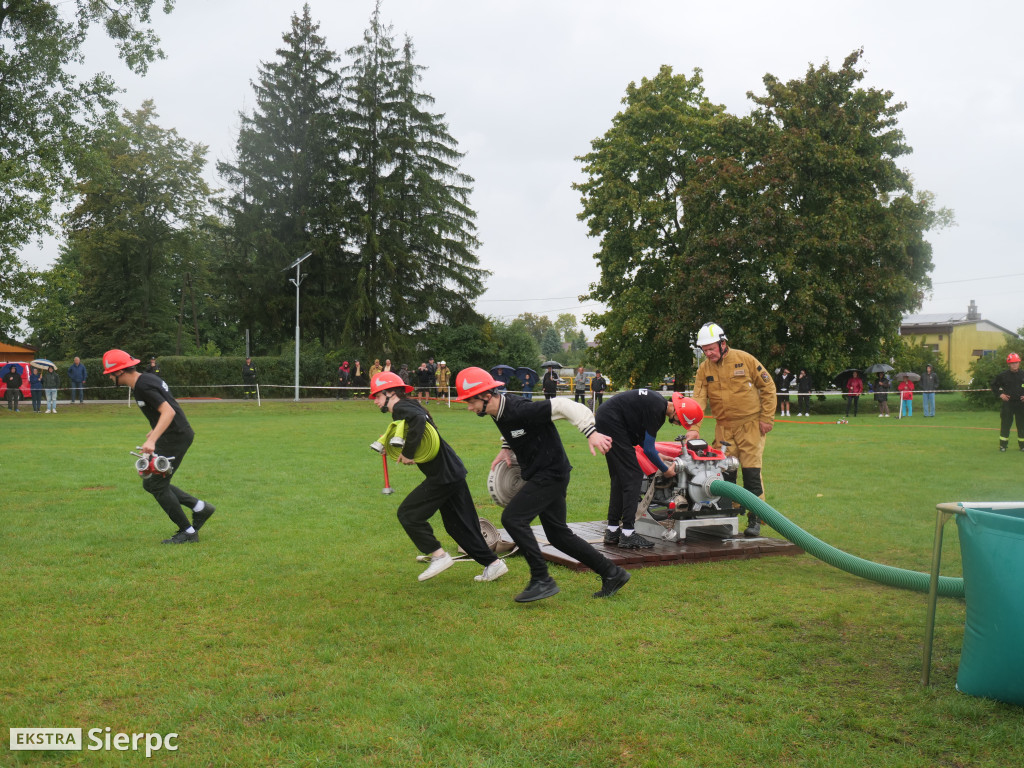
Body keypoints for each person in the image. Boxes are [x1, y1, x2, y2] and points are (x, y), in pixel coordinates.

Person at [455, 367, 630, 602]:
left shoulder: (519, 409)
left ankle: (541, 578)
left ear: (486, 396)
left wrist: (591, 432)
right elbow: (515, 429)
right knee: (558, 535)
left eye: (470, 401)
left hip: (550, 474)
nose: (468, 407)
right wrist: (506, 448)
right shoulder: (499, 412)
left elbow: (564, 406)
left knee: (512, 519)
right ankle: (613, 573)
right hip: (543, 473)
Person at [370, 370, 508, 584]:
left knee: (409, 514)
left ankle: (438, 556)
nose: (375, 401)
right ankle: (494, 564)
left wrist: (408, 453)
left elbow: (417, 421)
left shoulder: (400, 408)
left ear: (390, 393)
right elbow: (416, 424)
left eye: (377, 396)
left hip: (443, 476)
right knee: (459, 526)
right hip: (452, 471)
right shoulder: (411, 404)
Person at [101, 349, 215, 544]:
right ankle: (200, 508)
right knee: (151, 483)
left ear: (119, 372)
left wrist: (152, 440)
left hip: (175, 437)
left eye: (110, 373)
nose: (110, 377)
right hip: (173, 435)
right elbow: (166, 408)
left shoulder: (143, 386)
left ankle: (188, 532)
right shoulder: (146, 380)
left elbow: (168, 412)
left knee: (157, 485)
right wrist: (153, 432)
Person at [686, 322, 776, 537]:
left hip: (750, 425)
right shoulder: (703, 369)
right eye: (704, 350)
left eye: (711, 348)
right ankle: (729, 517)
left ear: (722, 343)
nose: (708, 353)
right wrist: (694, 428)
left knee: (751, 473)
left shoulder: (745, 359)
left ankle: (754, 519)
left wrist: (766, 418)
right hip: (724, 428)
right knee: (725, 474)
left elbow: (768, 386)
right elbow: (698, 400)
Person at [596, 387, 703, 548]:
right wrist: (665, 470)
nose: (676, 424)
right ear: (679, 414)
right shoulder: (657, 410)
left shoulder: (656, 403)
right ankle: (628, 533)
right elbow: (648, 449)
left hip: (607, 419)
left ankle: (612, 531)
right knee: (633, 476)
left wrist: (657, 455)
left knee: (619, 477)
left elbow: (641, 437)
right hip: (613, 422)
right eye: (679, 422)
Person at [991, 352, 1024, 452]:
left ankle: (1022, 446)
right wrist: (1001, 394)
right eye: (1013, 363)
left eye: (1016, 362)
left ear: (1019, 363)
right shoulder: (1003, 375)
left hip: (1021, 404)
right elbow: (994, 385)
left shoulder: (1023, 374)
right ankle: (1003, 446)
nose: (1015, 365)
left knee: (1022, 426)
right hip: (1008, 404)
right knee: (1005, 424)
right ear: (1009, 364)